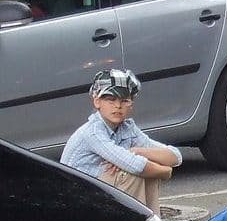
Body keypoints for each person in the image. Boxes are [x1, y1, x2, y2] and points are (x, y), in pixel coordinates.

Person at [60, 69, 181, 213]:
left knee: (147, 172)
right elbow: (136, 166)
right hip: (76, 201)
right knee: (131, 174)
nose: (118, 106)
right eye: (110, 100)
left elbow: (175, 156)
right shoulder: (92, 131)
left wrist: (137, 151)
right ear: (97, 101)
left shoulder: (127, 128)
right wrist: (166, 172)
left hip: (99, 194)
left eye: (124, 100)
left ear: (131, 104)